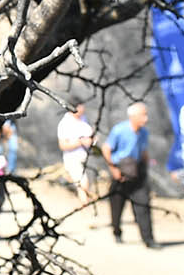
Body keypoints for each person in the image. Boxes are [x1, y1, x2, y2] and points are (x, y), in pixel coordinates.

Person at [101, 101, 156, 248]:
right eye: (143, 115)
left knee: (143, 204)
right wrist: (113, 169)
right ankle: (117, 232)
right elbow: (106, 149)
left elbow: (144, 152)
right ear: (133, 116)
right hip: (121, 169)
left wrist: (146, 168)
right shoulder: (119, 130)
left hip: (137, 170)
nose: (146, 118)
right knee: (117, 205)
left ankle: (148, 239)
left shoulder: (144, 132)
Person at [56, 98, 96, 210]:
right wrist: (80, 142)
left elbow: (90, 136)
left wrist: (92, 141)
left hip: (87, 158)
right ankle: (87, 209)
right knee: (83, 183)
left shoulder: (84, 120)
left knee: (87, 184)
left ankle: (85, 204)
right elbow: (63, 145)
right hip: (73, 158)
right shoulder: (65, 124)